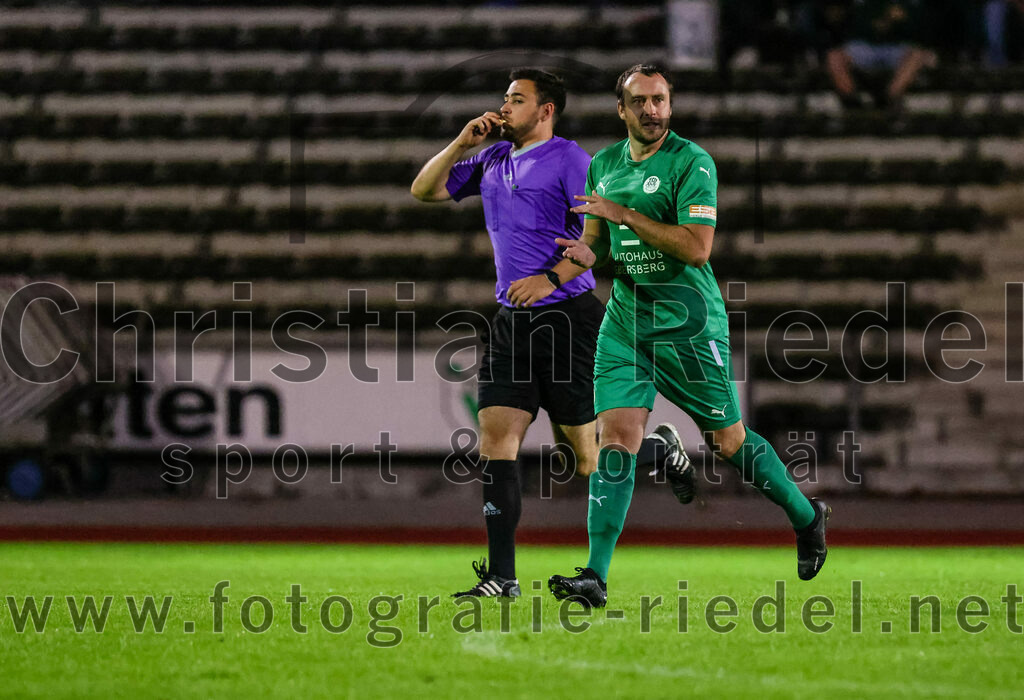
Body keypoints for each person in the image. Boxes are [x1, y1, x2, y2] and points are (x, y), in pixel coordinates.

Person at [546, 64, 831, 608]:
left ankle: (806, 515)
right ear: (621, 109)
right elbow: (600, 241)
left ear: (670, 105)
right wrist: (587, 253)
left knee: (728, 443)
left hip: (688, 324)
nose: (652, 110)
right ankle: (596, 576)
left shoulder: (692, 162)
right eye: (640, 101)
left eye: (660, 100)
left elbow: (697, 249)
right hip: (626, 323)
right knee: (615, 442)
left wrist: (626, 215)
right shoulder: (603, 165)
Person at [410, 68, 695, 599]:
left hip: (568, 317)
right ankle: (502, 577)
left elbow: (600, 239)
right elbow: (423, 190)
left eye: (516, 99)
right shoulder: (492, 158)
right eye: (505, 97)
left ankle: (658, 451)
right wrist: (461, 143)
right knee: (495, 439)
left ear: (546, 111)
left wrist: (549, 279)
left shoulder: (572, 161)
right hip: (511, 320)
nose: (504, 107)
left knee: (585, 459)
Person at [824, 0, 935, 110]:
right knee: (834, 56)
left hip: (896, 47)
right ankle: (852, 104)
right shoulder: (859, 5)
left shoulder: (909, 4)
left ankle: (890, 100)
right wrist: (878, 23)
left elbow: (920, 27)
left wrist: (901, 21)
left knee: (917, 55)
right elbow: (849, 25)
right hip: (863, 47)